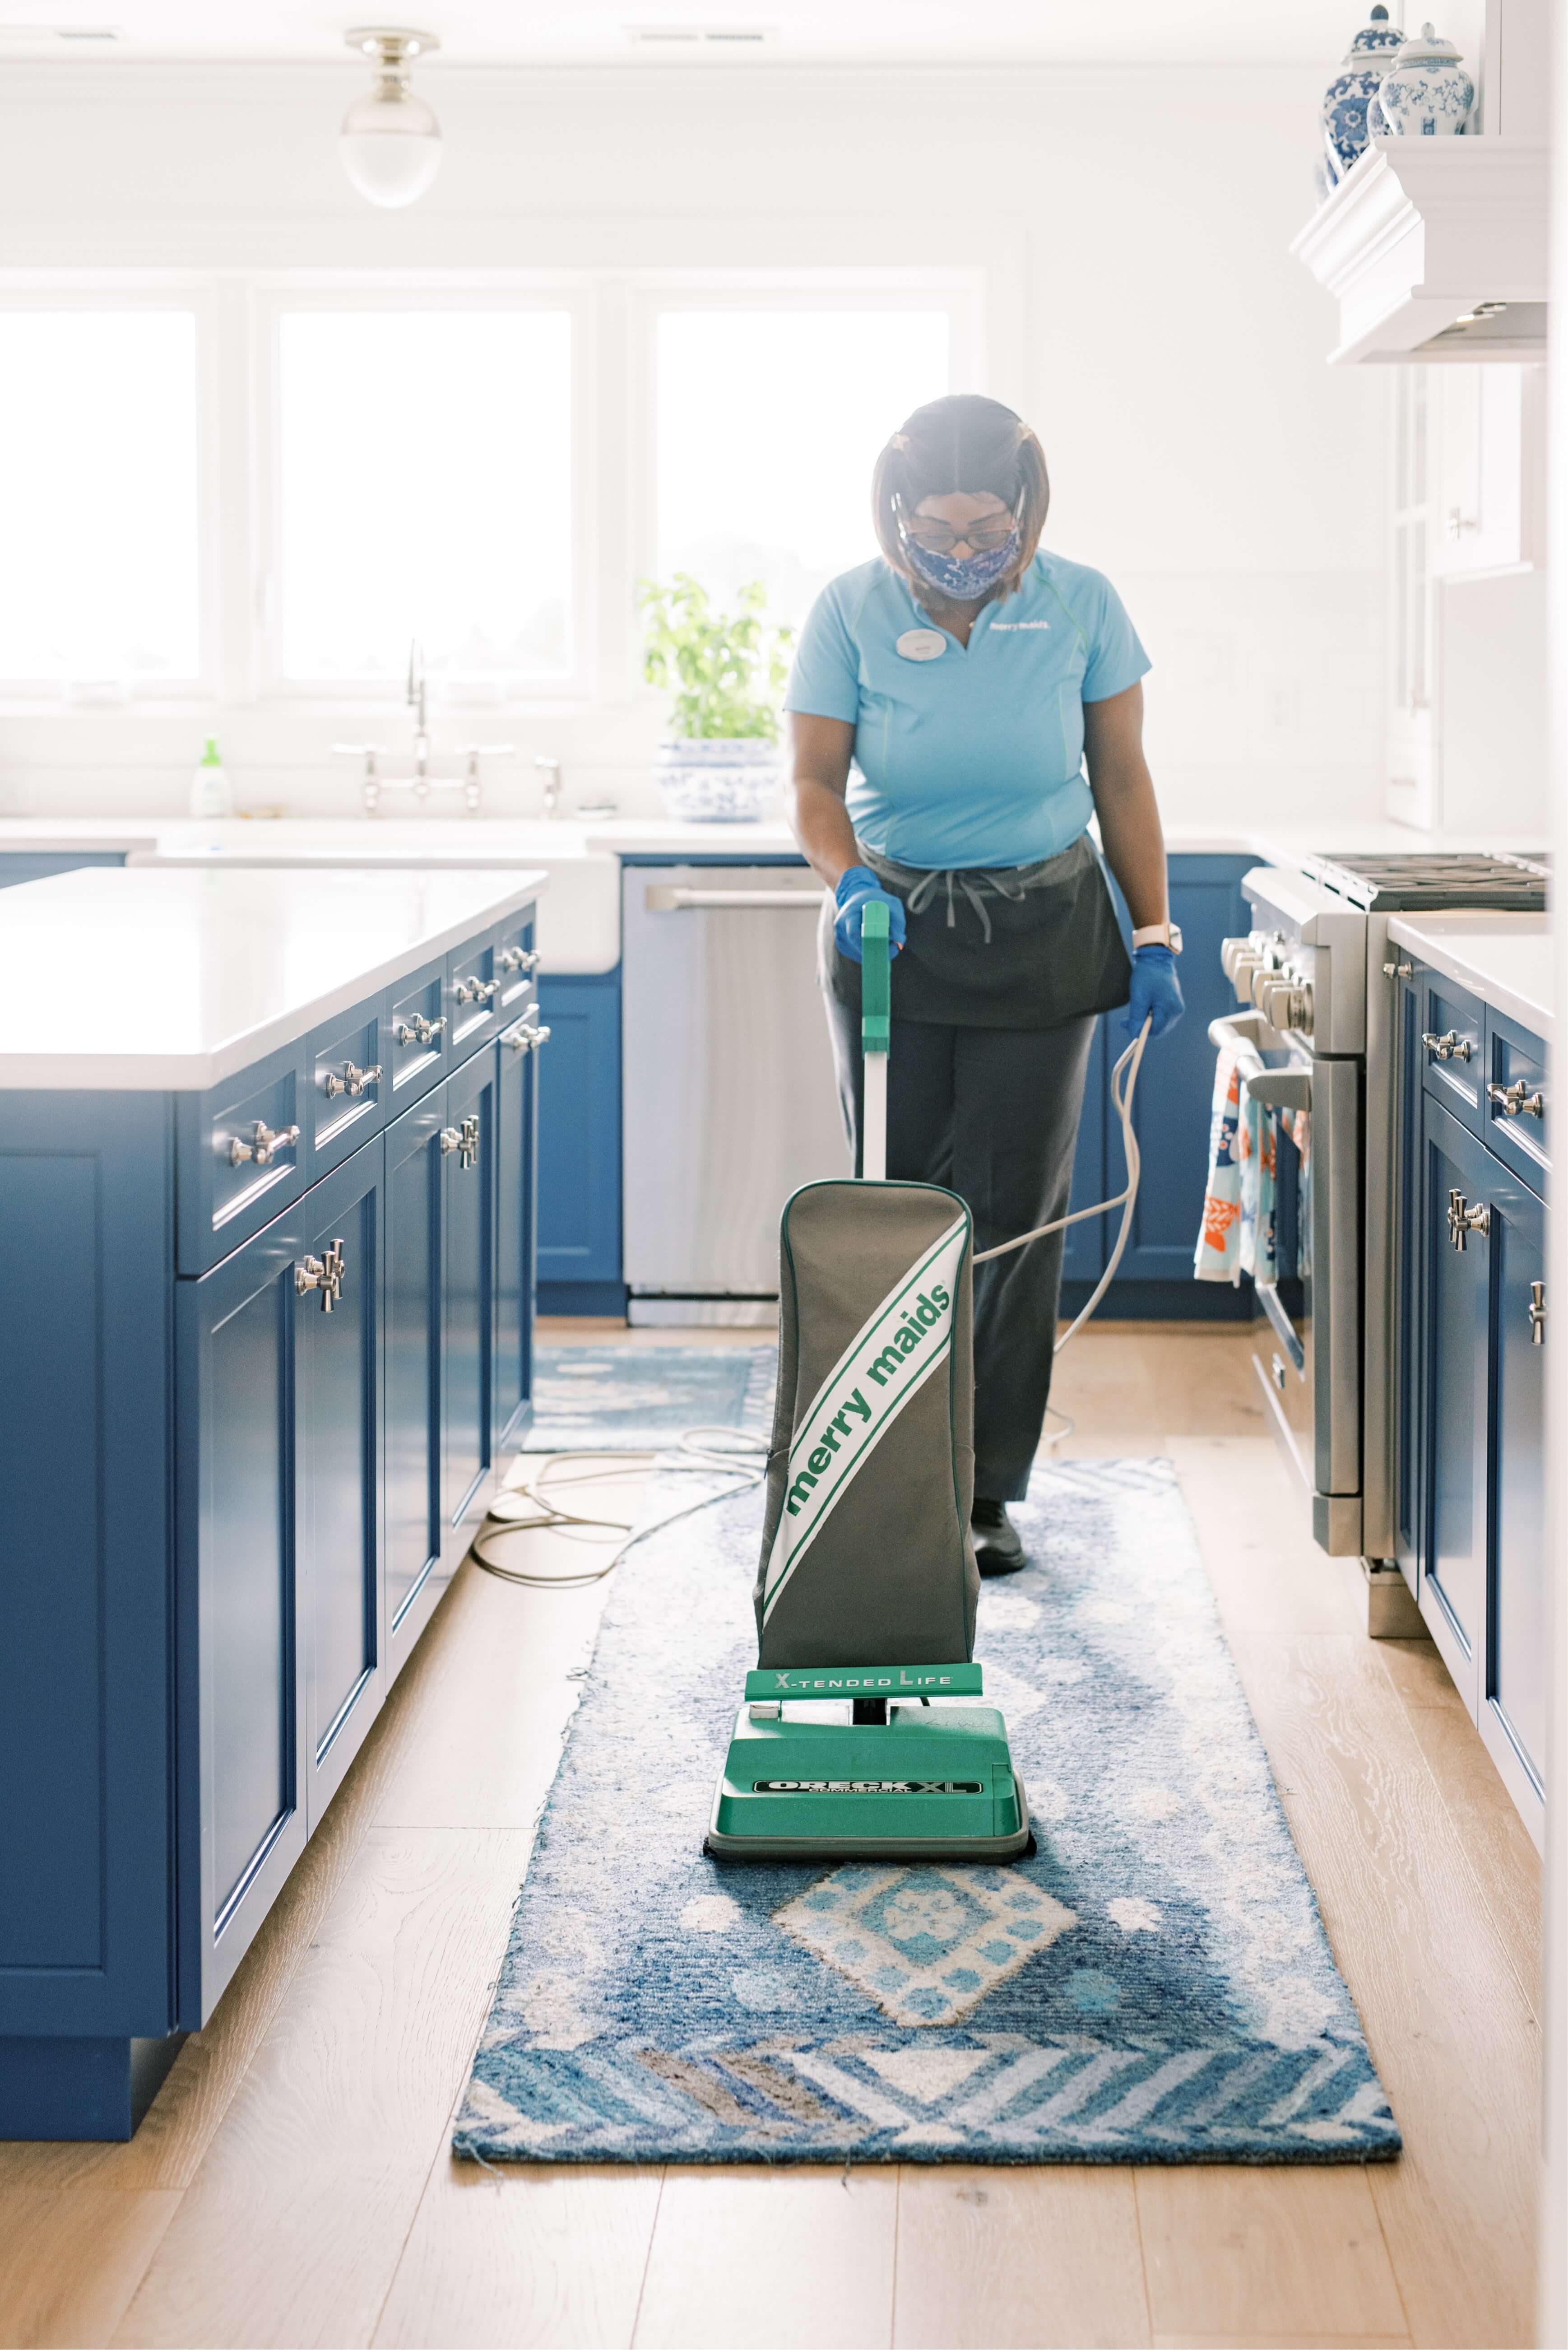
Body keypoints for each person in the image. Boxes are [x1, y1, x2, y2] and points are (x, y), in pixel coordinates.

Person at [784, 391, 1183, 1574]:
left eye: (986, 529)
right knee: (902, 1208)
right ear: (894, 511)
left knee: (1014, 1217)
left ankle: (983, 1490)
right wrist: (846, 878)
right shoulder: (847, 609)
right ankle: (888, 1471)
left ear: (1025, 510)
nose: (962, 553)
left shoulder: (1082, 605)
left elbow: (1119, 774)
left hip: (1043, 926)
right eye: (937, 530)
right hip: (888, 931)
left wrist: (1153, 932)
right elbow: (812, 783)